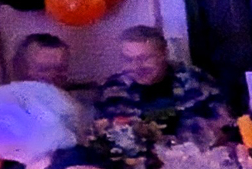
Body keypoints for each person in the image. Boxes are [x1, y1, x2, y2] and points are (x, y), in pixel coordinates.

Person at [96, 25, 228, 144]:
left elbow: (225, 125)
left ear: (164, 54)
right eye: (128, 60)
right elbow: (103, 139)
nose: (136, 67)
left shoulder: (194, 79)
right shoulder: (112, 91)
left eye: (144, 59)